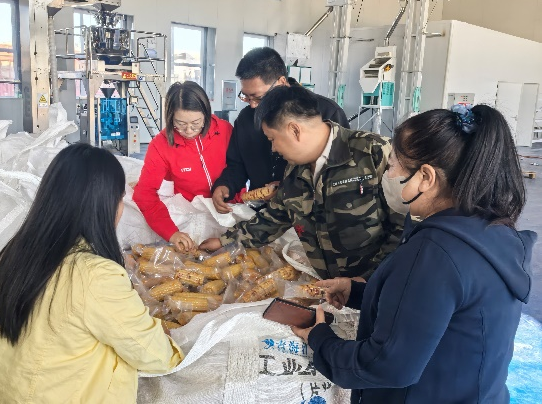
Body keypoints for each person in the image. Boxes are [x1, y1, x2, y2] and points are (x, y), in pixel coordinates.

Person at [293, 104, 535, 403]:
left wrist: (320, 339)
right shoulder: (490, 230)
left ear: (426, 177)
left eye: (392, 166)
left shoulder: (434, 255)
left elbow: (384, 366)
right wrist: (357, 292)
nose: (387, 175)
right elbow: (435, 307)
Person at [0, 144, 183, 404]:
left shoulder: (13, 255)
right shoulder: (95, 275)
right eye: (120, 199)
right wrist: (172, 343)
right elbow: (154, 355)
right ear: (103, 205)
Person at [201, 85, 404, 280]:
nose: (273, 149)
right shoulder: (294, 171)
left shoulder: (374, 152)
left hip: (376, 287)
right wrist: (225, 241)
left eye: (272, 139)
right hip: (332, 288)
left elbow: (405, 228)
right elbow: (274, 218)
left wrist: (369, 280)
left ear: (295, 130)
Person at [212, 47, 349, 214]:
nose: (253, 105)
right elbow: (237, 165)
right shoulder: (246, 119)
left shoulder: (323, 113)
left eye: (258, 97)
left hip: (308, 214)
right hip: (263, 213)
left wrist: (288, 188)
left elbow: (339, 174)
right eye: (246, 96)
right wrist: (226, 184)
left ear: (282, 82)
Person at [133, 81, 234, 251]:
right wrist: (171, 233)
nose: (188, 131)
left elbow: (240, 168)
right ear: (170, 117)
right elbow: (144, 194)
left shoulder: (225, 130)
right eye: (180, 124)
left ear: (206, 114)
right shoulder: (160, 145)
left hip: (231, 209)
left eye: (196, 123)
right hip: (191, 215)